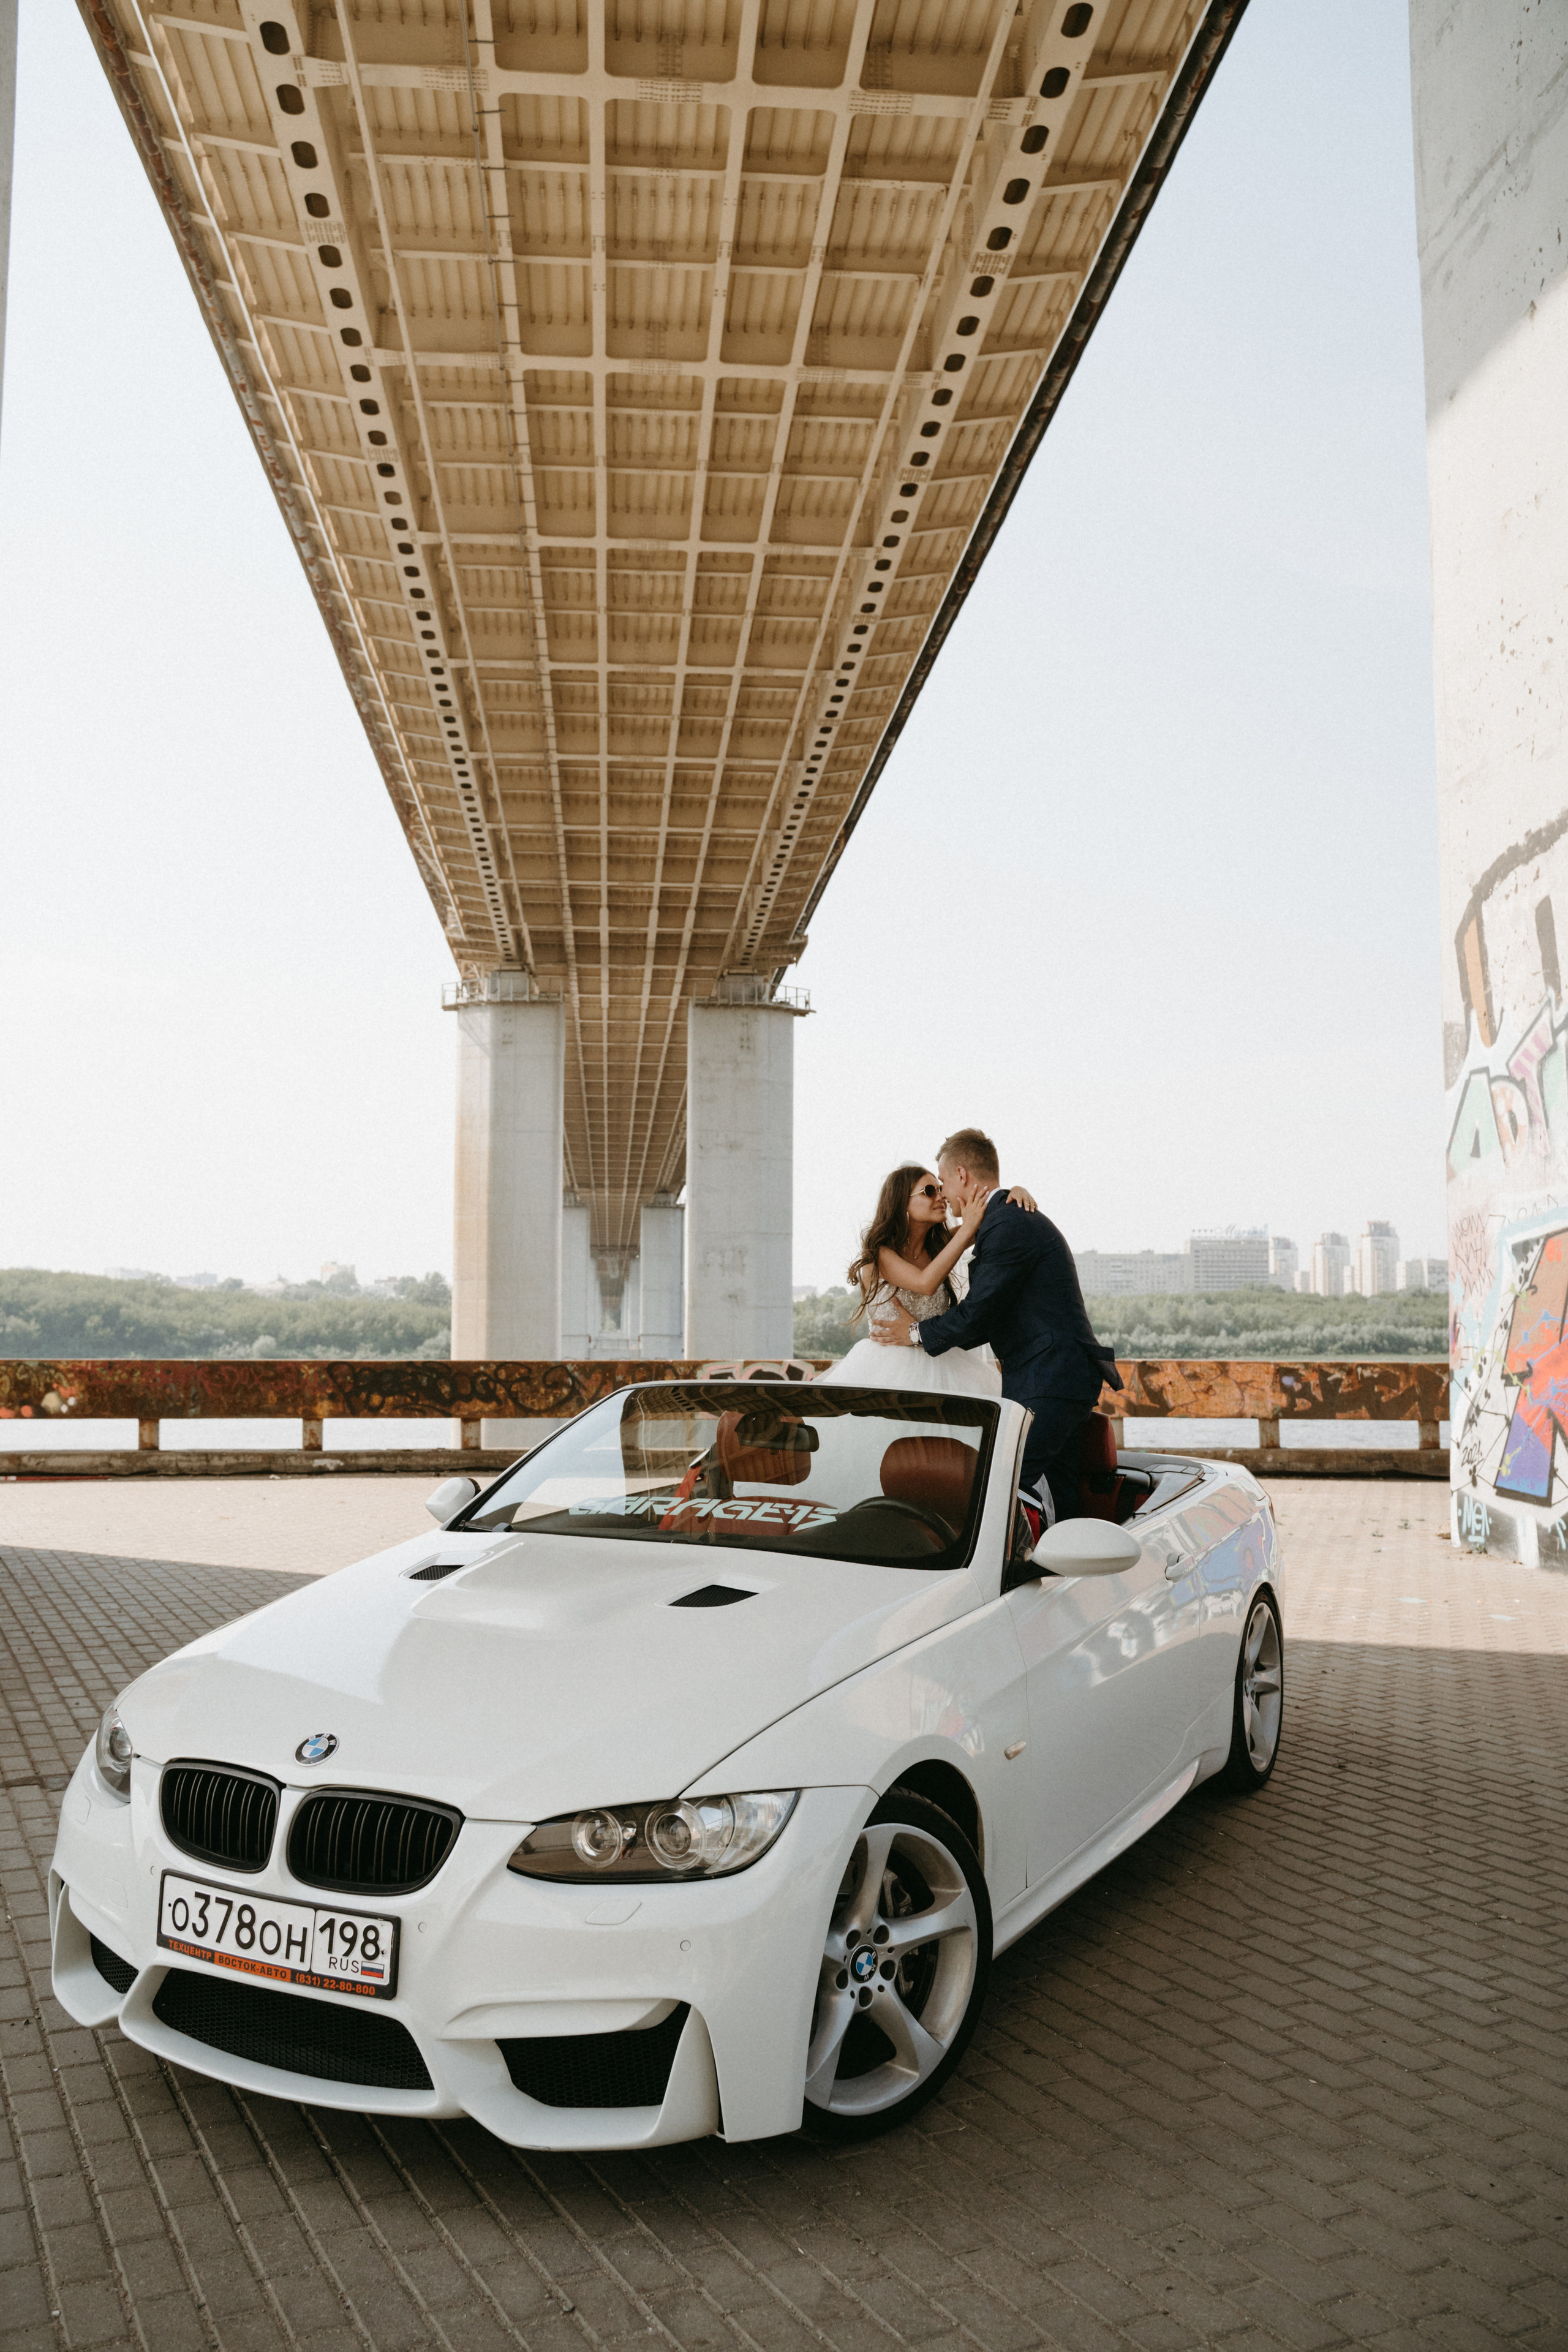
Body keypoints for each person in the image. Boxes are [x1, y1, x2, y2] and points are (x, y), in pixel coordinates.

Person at [870, 1126, 1121, 1525]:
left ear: (962, 1176)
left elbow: (978, 1315)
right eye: (930, 1189)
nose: (944, 1194)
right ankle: (1067, 1574)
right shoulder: (1001, 1219)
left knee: (1002, 1484)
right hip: (1052, 1376)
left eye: (943, 1183)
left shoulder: (1008, 1224)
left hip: (1051, 1377)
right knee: (1060, 1492)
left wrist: (916, 1333)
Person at [820, 1163, 1035, 1397]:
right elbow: (926, 1283)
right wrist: (965, 1232)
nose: (941, 1197)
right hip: (886, 1373)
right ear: (902, 1203)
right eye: (930, 1191)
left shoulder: (943, 1247)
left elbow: (992, 1217)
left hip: (942, 1367)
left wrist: (1013, 1192)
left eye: (941, 1189)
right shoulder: (881, 1254)